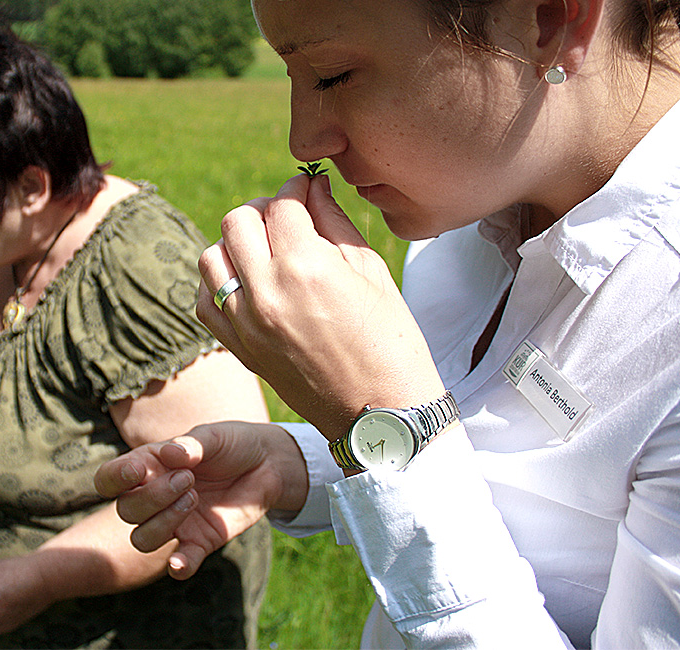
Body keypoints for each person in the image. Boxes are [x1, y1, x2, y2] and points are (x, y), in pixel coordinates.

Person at [94, 0, 680, 647]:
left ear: (546, 19)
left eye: (332, 74)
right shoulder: (466, 222)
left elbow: (424, 444)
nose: (303, 141)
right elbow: (485, 460)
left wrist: (380, 425)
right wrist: (310, 461)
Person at [0, 5, 271, 648]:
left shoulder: (135, 273)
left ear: (31, 186)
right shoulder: (12, 249)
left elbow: (215, 488)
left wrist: (40, 577)